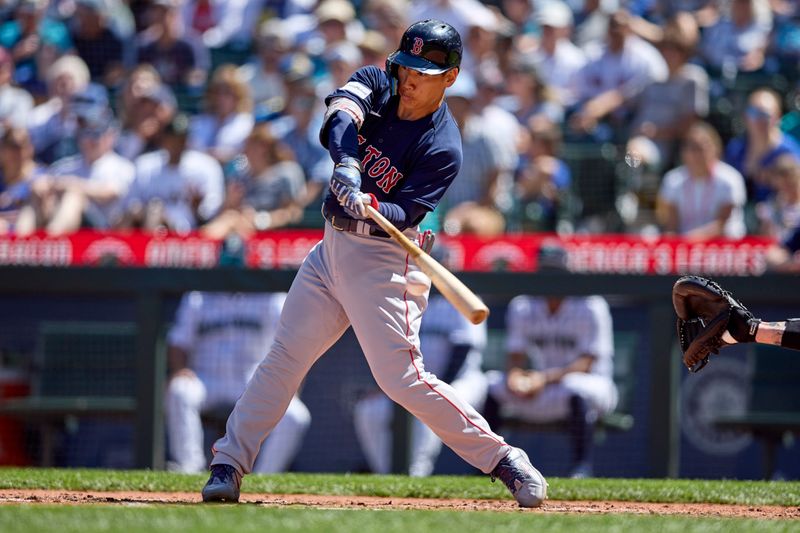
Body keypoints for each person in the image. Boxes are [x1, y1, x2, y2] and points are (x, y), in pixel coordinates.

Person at [201, 19, 547, 508]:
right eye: (407, 66)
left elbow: (406, 212)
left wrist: (374, 206)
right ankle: (228, 465)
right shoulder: (380, 80)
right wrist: (346, 162)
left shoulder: (444, 145)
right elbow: (340, 117)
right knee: (284, 358)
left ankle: (504, 460)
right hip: (330, 249)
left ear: (449, 79)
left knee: (401, 378)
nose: (409, 80)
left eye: (423, 73)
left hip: (386, 260)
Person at [483, 245, 617, 479]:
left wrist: (541, 379)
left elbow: (587, 362)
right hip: (544, 390)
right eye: (545, 272)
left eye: (556, 272)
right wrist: (516, 376)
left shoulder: (590, 305)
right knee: (494, 384)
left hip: (591, 388)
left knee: (577, 385)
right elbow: (515, 354)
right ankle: (484, 465)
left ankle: (581, 467)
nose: (551, 278)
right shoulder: (523, 305)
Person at [354, 261, 489, 476]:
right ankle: (388, 475)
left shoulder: (462, 297)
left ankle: (417, 473)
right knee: (370, 410)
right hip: (413, 380)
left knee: (430, 409)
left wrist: (432, 390)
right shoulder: (401, 297)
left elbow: (462, 352)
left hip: (461, 380)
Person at [166, 290, 311, 473]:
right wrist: (180, 369)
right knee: (180, 390)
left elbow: (292, 347)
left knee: (295, 414)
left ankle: (264, 478)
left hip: (253, 382)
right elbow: (178, 341)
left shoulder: (272, 299)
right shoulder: (198, 297)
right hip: (207, 379)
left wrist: (291, 390)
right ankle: (189, 469)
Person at [116, 113, 224, 234]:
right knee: (150, 212)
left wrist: (196, 208)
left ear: (188, 141)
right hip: (151, 226)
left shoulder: (206, 166)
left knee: (155, 213)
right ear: (164, 140)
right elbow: (129, 204)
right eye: (173, 139)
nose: (177, 144)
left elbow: (211, 211)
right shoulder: (145, 165)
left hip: (189, 233)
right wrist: (142, 211)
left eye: (182, 139)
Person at [201, 124, 305, 239]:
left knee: (231, 220)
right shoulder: (241, 175)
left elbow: (294, 213)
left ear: (263, 148)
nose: (244, 151)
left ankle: (199, 243)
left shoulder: (288, 171)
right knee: (231, 217)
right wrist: (231, 201)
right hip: (240, 228)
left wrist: (261, 220)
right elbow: (228, 211)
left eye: (250, 146)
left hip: (272, 234)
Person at [657, 122, 747, 240]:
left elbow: (722, 224)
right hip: (685, 247)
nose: (697, 154)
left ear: (716, 148)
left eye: (702, 147)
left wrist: (690, 240)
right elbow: (671, 224)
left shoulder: (730, 179)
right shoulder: (673, 180)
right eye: (692, 148)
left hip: (725, 246)